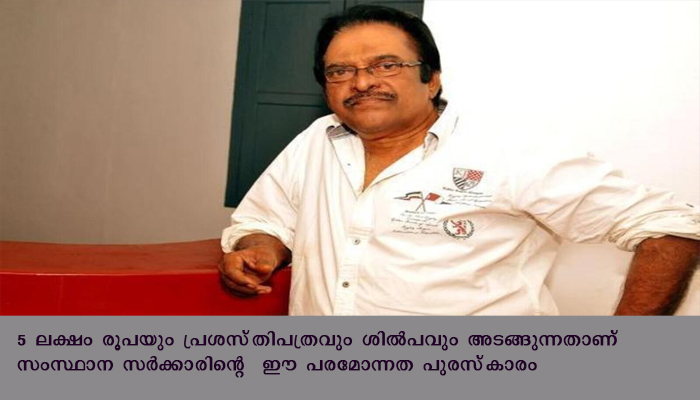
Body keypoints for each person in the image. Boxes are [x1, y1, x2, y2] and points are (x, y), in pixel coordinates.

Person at [220, 5, 700, 315]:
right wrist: (261, 250)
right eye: (340, 70)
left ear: (432, 79)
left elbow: (671, 227)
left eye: (387, 65)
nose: (362, 82)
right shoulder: (316, 140)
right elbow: (266, 219)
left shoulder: (507, 150)